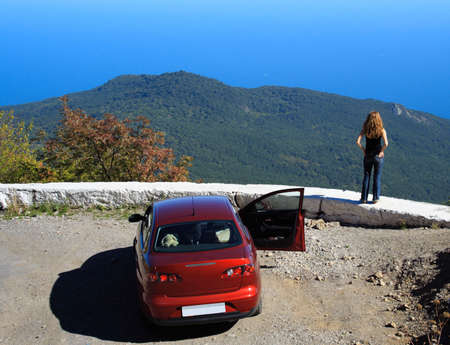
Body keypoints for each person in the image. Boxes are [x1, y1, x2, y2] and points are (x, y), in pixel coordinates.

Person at [356, 111, 389, 204]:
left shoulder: (365, 130)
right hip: (378, 156)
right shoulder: (381, 130)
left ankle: (364, 198)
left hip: (368, 155)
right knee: (377, 176)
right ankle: (375, 198)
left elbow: (357, 142)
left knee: (366, 176)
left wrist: (364, 150)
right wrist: (382, 151)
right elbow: (386, 144)